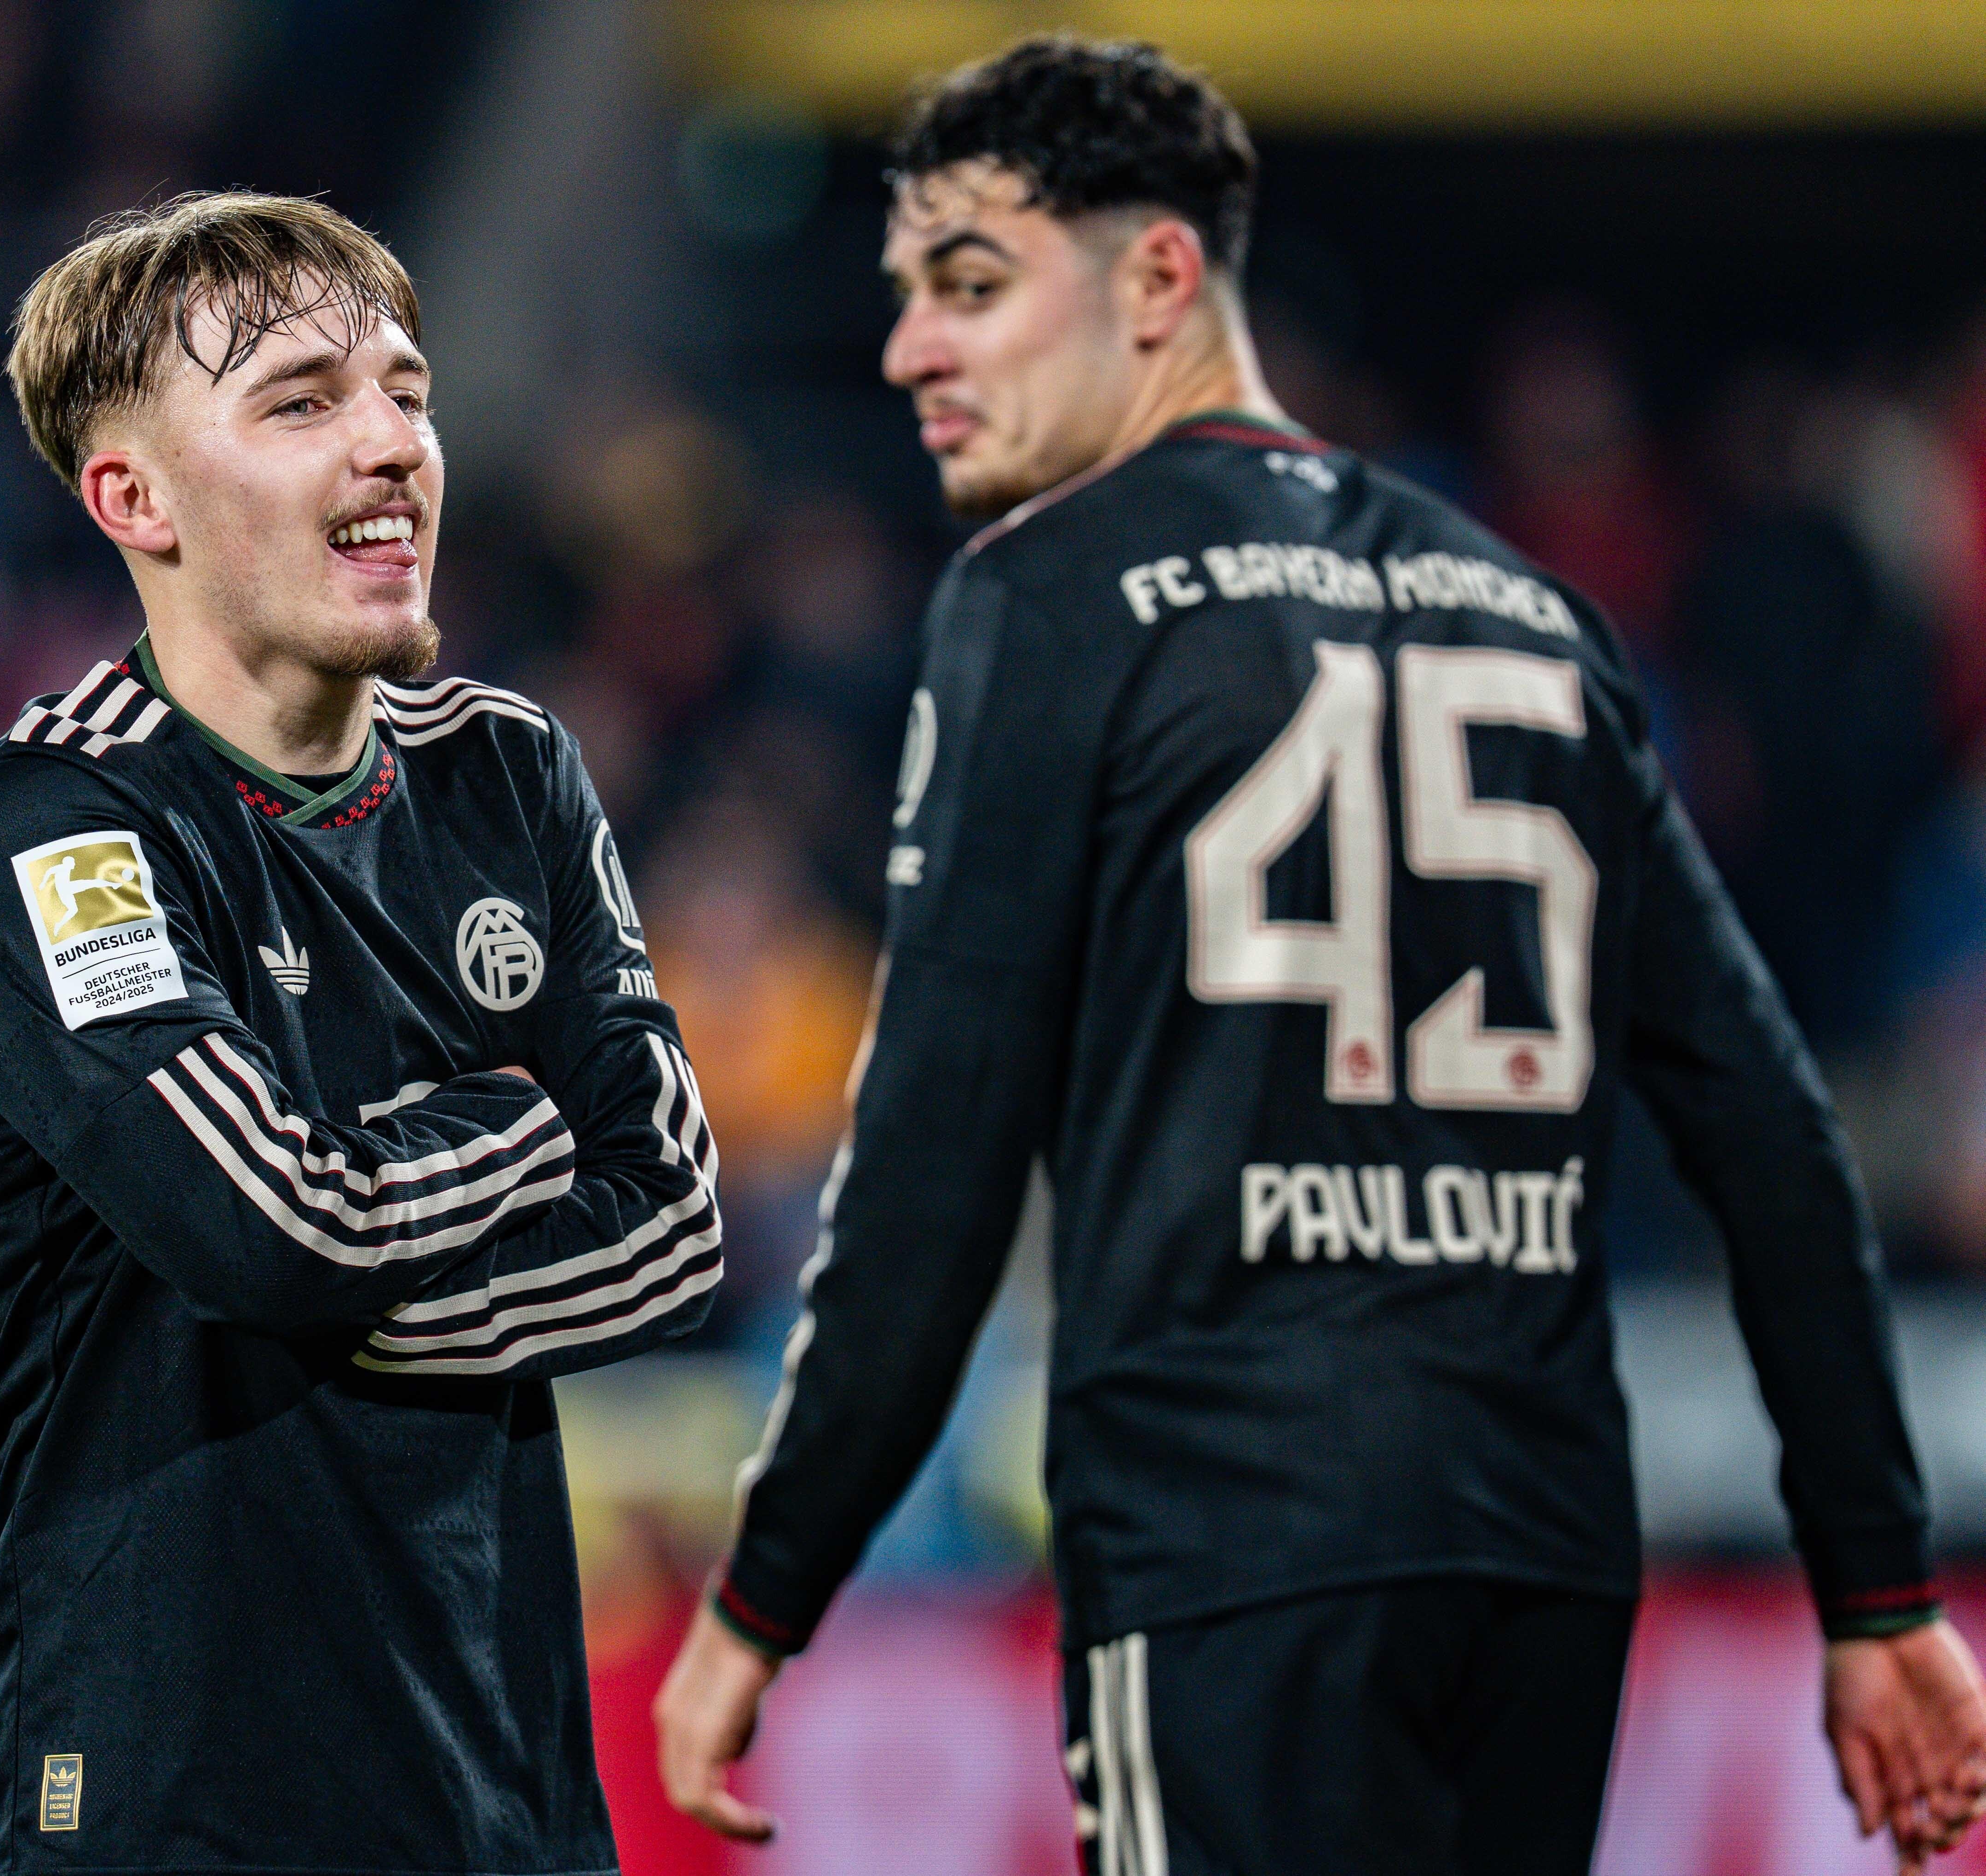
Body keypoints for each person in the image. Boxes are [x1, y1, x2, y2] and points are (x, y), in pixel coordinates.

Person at [653, 35, 1986, 1876]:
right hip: (1534, 1557)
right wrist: (1879, 1590)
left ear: (1159, 281)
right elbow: (1771, 1136)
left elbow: (934, 1170)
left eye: (968, 287)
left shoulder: (1046, 599)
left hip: (1231, 1546)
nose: (911, 353)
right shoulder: (1539, 620)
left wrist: (767, 1594)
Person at [0, 192, 722, 1876]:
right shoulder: (54, 828)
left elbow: (674, 1233)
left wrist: (357, 1264)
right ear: (133, 499)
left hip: (500, 1793)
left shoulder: (509, 772)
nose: (392, 447)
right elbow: (274, 1229)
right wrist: (513, 1127)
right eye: (301, 402)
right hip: (162, 1802)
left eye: (407, 394)